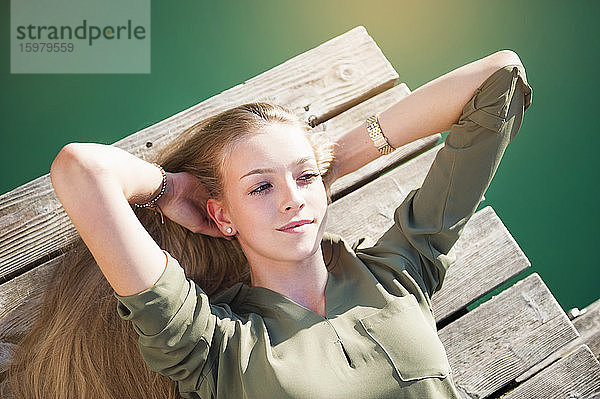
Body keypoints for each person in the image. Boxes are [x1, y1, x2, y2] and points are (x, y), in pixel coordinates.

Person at [5, 50, 533, 399]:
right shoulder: (214, 348)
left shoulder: (400, 271)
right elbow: (81, 169)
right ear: (222, 214)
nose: (290, 201)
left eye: (303, 180)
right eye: (260, 187)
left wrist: (331, 161)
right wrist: (171, 188)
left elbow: (498, 79)